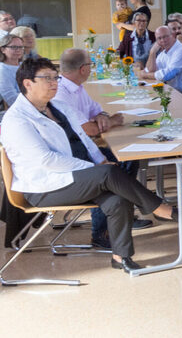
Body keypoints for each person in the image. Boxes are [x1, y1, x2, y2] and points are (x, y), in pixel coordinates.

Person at [0, 56, 182, 273]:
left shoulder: (57, 107)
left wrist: (99, 160)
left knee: (117, 197)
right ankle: (160, 208)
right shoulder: (16, 119)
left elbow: (84, 139)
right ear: (28, 83)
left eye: (56, 77)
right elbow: (46, 161)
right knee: (109, 174)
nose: (55, 82)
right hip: (44, 186)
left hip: (74, 176)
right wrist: (95, 169)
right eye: (47, 78)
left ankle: (121, 258)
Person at [55, 48, 152, 244]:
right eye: (90, 65)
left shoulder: (78, 87)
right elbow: (89, 130)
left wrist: (103, 117)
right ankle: (101, 231)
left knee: (127, 159)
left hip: (85, 146)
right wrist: (112, 121)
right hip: (71, 153)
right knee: (116, 165)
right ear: (83, 69)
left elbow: (97, 111)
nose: (91, 68)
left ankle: (123, 214)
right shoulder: (61, 93)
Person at [139, 25, 182, 92]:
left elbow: (168, 75)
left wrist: (146, 75)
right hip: (172, 91)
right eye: (159, 38)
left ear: (172, 35)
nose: (163, 40)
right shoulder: (164, 53)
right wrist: (152, 52)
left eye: (165, 36)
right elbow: (150, 70)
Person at [0, 33, 25, 106]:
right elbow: (12, 100)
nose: (18, 50)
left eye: (21, 47)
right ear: (3, 49)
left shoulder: (25, 66)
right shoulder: (0, 72)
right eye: (13, 47)